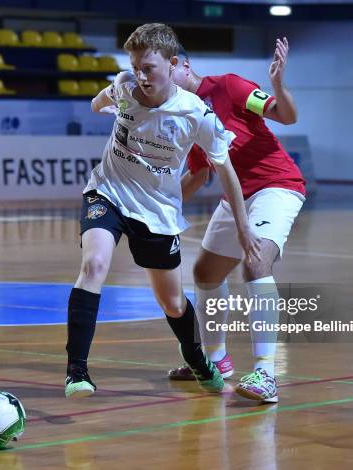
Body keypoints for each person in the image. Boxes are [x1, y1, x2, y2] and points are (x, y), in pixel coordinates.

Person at [64, 23, 262, 399]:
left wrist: (243, 227)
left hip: (157, 212)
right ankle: (77, 371)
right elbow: (97, 103)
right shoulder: (125, 86)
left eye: (149, 68)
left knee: (172, 302)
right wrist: (106, 99)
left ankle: (198, 359)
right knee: (94, 265)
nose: (141, 76)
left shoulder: (196, 114)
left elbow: (226, 173)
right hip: (107, 192)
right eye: (135, 66)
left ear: (172, 64)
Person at [168, 38, 306, 403]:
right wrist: (156, 208)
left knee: (256, 262)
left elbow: (286, 115)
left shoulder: (229, 86)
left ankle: (266, 372)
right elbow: (198, 176)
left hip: (276, 186)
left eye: (164, 71)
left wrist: (277, 86)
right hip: (236, 200)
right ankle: (215, 361)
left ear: (183, 64)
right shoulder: (184, 114)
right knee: (205, 274)